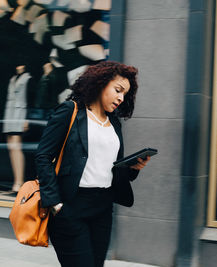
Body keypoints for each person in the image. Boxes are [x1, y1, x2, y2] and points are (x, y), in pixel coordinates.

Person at [35, 61, 150, 267]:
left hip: (102, 209)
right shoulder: (70, 111)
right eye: (118, 90)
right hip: (70, 207)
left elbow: (110, 167)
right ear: (101, 83)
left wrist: (132, 168)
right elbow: (43, 156)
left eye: (125, 94)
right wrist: (55, 205)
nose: (121, 98)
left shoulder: (113, 122)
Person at [3, 65, 32, 192]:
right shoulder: (12, 79)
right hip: (9, 114)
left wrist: (27, 118)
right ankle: (16, 180)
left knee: (16, 146)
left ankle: (19, 181)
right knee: (11, 147)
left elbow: (29, 99)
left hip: (20, 114)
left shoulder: (28, 78)